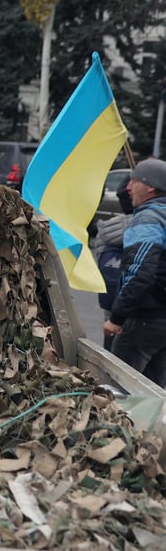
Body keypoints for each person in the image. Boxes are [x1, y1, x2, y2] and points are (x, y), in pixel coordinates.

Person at [104, 158, 166, 384]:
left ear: (150, 187)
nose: (128, 187)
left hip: (143, 320)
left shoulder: (148, 219)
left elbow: (140, 272)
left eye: (134, 181)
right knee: (153, 393)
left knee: (118, 389)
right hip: (162, 321)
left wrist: (117, 317)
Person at [91, 172, 133, 351]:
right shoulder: (153, 230)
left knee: (112, 362)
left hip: (111, 315)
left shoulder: (105, 232)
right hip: (144, 320)